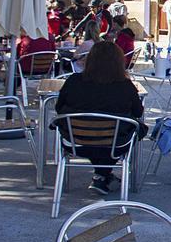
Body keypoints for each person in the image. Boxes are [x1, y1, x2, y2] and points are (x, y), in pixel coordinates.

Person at [53, 41, 145, 195]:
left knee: (99, 135)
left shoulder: (73, 82)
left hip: (76, 142)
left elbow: (59, 108)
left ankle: (102, 175)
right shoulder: (125, 86)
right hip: (115, 143)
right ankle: (102, 175)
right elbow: (137, 111)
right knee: (129, 129)